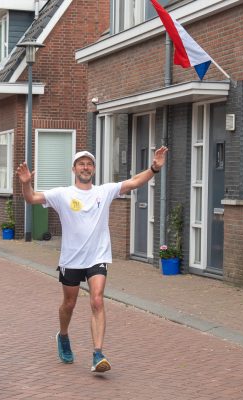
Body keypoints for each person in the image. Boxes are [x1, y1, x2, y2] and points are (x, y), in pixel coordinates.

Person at [16, 146, 168, 373]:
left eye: (89, 164)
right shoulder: (62, 194)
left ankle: (98, 354)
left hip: (98, 256)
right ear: (74, 169)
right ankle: (63, 335)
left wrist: (154, 169)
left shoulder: (104, 191)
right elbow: (31, 198)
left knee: (97, 300)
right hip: (71, 259)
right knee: (69, 304)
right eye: (81, 164)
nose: (85, 167)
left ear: (94, 169)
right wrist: (26, 183)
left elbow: (134, 182)